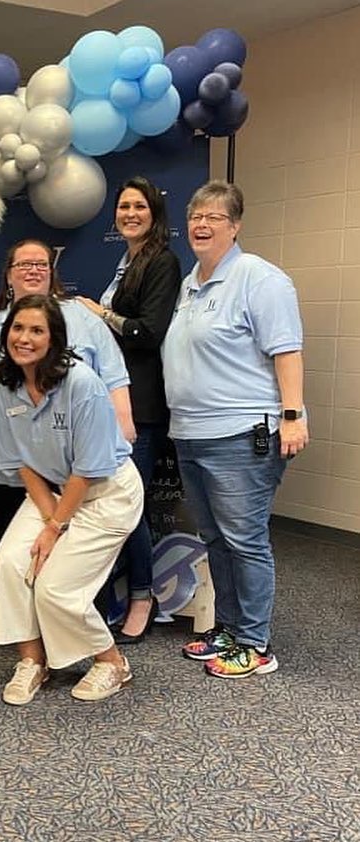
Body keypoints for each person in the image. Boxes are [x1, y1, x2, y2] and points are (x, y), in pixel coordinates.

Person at [163, 180, 309, 679]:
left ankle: (255, 643)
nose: (201, 225)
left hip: (242, 434)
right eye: (196, 216)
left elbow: (286, 350)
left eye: (215, 217)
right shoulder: (192, 281)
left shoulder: (259, 278)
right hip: (193, 433)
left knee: (245, 539)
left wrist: (293, 415)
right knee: (216, 539)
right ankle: (227, 628)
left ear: (236, 225)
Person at [0, 295, 143, 705]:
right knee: (7, 563)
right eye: (18, 328)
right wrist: (48, 517)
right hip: (53, 492)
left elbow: (89, 470)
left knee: (55, 588)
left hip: (105, 495)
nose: (25, 338)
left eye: (37, 330)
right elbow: (22, 461)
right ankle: (32, 661)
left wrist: (54, 528)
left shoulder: (82, 385)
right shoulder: (4, 383)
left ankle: (112, 663)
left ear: (55, 338)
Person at [0, 239, 132, 543]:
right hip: (0, 469)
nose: (33, 271)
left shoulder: (81, 318)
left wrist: (122, 431)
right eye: (23, 265)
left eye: (41, 264)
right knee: (14, 556)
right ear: (8, 275)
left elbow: (112, 377)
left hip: (65, 469)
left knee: (68, 558)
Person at [76, 177, 182, 643]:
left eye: (139, 206)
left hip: (142, 407)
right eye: (123, 207)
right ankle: (110, 597)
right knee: (112, 503)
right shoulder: (129, 261)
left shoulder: (162, 261)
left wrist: (99, 316)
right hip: (116, 403)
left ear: (155, 214)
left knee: (130, 508)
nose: (130, 213)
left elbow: (147, 332)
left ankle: (143, 595)